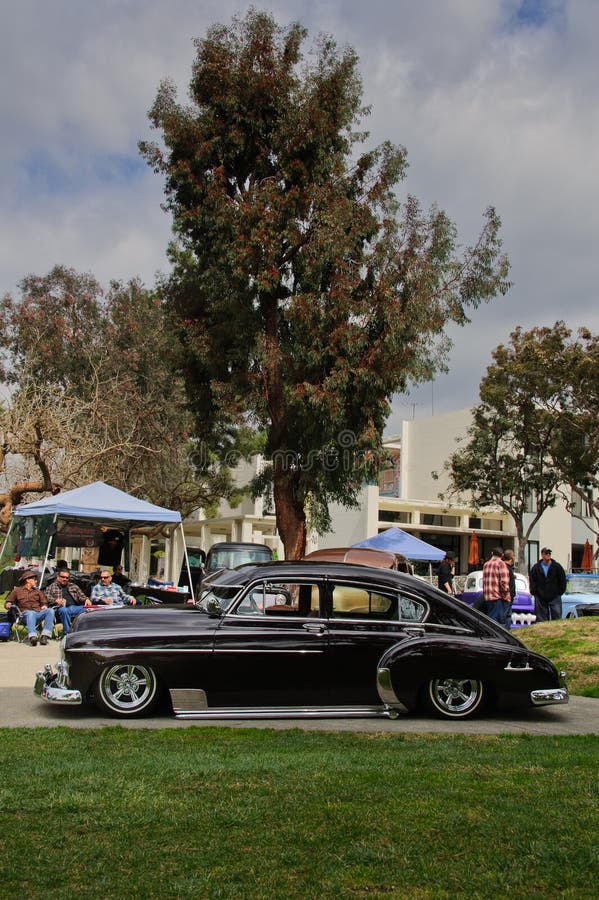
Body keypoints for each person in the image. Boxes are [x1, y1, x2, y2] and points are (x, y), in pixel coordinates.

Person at [3, 570, 55, 646]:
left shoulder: (37, 591)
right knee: (31, 613)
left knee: (50, 610)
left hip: (38, 613)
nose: (36, 581)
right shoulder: (17, 591)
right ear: (27, 580)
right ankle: (33, 636)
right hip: (24, 615)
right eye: (34, 579)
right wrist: (8, 604)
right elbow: (8, 602)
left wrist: (45, 606)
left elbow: (44, 602)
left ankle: (45, 636)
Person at [45, 568, 92, 635]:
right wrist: (55, 600)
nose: (65, 579)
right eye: (62, 577)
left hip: (74, 608)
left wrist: (86, 599)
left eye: (67, 578)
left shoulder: (73, 586)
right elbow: (46, 597)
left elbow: (82, 596)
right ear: (58, 577)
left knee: (89, 609)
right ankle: (67, 634)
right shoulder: (51, 587)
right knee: (64, 610)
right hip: (60, 608)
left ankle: (85, 632)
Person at [529, 548, 567, 622]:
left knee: (557, 617)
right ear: (542, 555)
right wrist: (534, 592)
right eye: (546, 553)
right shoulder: (536, 568)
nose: (548, 555)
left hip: (555, 596)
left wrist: (560, 592)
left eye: (549, 553)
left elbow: (562, 580)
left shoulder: (557, 567)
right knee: (541, 619)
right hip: (540, 597)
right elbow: (532, 581)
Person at [482, 547, 511, 625]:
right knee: (498, 623)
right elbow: (504, 582)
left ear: (492, 553)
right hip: (497, 597)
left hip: (487, 596)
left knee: (490, 619)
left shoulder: (486, 564)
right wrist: (506, 595)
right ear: (502, 555)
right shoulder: (501, 564)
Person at [502, 549, 517, 629]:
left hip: (509, 596)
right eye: (513, 555)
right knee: (505, 616)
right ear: (511, 558)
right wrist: (508, 594)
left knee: (508, 615)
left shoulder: (508, 568)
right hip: (506, 596)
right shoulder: (505, 567)